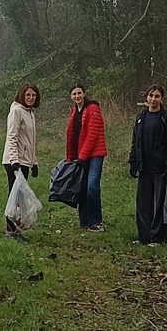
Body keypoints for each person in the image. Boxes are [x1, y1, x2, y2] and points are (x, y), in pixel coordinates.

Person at [128, 84, 167, 245]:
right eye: (151, 96)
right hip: (144, 167)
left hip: (159, 168)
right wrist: (133, 162)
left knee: (158, 204)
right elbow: (135, 141)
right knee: (143, 202)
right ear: (146, 98)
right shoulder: (140, 117)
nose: (153, 99)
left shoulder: (166, 118)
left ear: (161, 98)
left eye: (157, 96)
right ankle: (144, 237)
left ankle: (157, 237)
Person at [65, 83, 108, 232]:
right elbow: (72, 135)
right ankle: (84, 221)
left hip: (94, 154)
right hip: (80, 154)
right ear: (71, 97)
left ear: (84, 93)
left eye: (79, 93)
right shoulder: (74, 111)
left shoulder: (93, 109)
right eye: (74, 94)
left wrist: (83, 156)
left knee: (92, 187)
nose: (77, 96)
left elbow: (92, 135)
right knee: (81, 187)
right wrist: (71, 157)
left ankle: (96, 221)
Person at [1, 83, 41, 241]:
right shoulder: (16, 111)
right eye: (28, 95)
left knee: (19, 197)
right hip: (15, 161)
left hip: (25, 160)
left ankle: (16, 228)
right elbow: (12, 137)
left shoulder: (30, 113)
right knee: (14, 196)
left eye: (33, 95)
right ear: (22, 95)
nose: (31, 98)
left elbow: (30, 141)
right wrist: (14, 161)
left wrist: (34, 162)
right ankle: (10, 231)